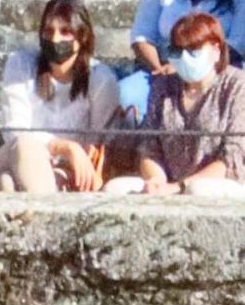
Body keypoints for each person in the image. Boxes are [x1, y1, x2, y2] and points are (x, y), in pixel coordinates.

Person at [0, 0, 119, 193]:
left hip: (65, 173)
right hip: (14, 157)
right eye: (49, 31)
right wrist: (62, 147)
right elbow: (15, 131)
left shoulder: (101, 79)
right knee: (25, 145)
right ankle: (44, 210)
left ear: (82, 37)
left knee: (6, 185)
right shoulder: (21, 65)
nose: (55, 39)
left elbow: (97, 144)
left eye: (65, 32)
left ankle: (30, 211)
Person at [105, 11, 245, 196]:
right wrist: (156, 181)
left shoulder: (236, 86)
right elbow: (149, 145)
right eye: (177, 51)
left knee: (198, 190)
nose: (184, 58)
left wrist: (181, 186)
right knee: (115, 188)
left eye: (193, 51)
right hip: (167, 182)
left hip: (222, 183)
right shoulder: (163, 86)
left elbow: (232, 156)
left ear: (216, 51)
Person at [120, 0, 245, 123]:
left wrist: (187, 64)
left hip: (218, 70)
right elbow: (141, 37)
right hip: (162, 69)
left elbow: (237, 44)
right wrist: (160, 68)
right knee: (125, 93)